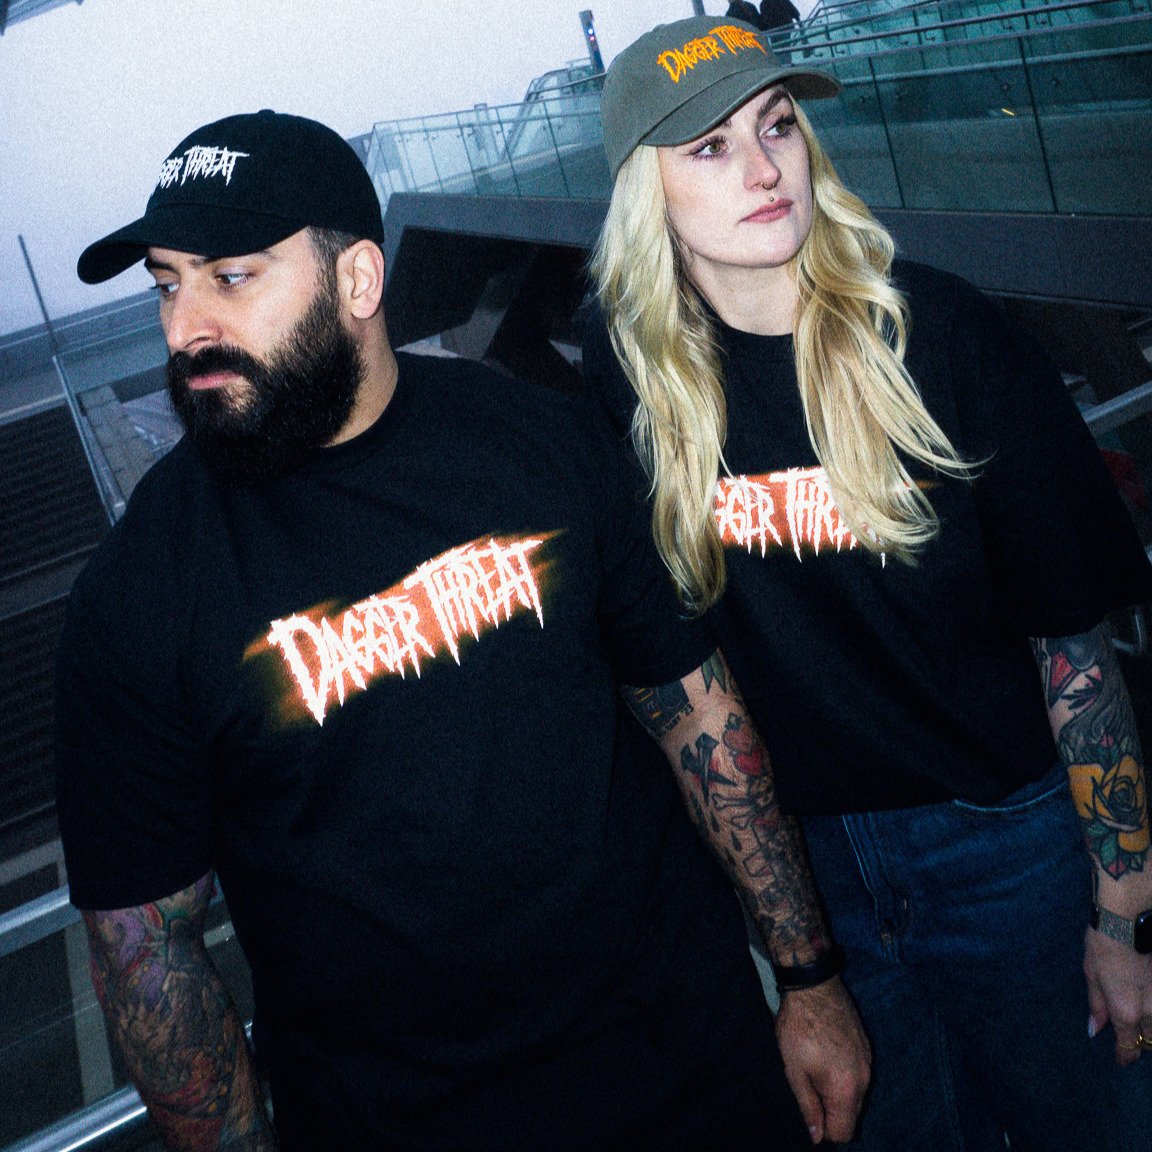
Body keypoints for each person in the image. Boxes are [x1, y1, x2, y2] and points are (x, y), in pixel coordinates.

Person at [54, 109, 870, 1151]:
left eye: (232, 277)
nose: (184, 328)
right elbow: (148, 952)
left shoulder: (539, 438)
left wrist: (809, 979)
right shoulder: (138, 594)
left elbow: (697, 715)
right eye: (167, 285)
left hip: (693, 1072)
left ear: (358, 280)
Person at [582, 15, 1152, 1152]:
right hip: (818, 880)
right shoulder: (637, 384)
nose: (763, 169)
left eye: (777, 126)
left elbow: (1073, 650)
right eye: (710, 148)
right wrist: (797, 959)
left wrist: (1125, 910)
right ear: (647, 192)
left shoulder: (942, 335)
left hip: (1006, 842)